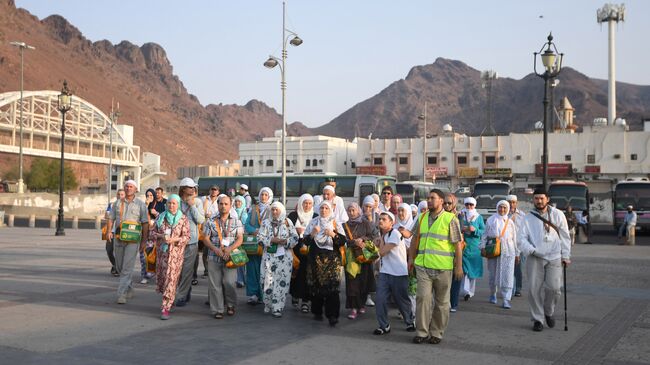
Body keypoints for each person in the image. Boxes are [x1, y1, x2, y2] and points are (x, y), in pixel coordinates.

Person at [405, 189, 463, 344]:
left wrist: (459, 267)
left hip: (443, 268)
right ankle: (422, 332)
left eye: (433, 198)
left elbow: (457, 245)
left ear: (441, 201)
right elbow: (414, 239)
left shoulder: (451, 219)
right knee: (422, 298)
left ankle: (436, 332)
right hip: (423, 266)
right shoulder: (422, 217)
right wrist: (411, 258)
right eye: (428, 198)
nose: (429, 200)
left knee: (442, 303)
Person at [517, 188, 571, 332]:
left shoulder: (558, 215)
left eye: (541, 198)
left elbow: (565, 236)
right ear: (533, 200)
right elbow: (521, 239)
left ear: (547, 199)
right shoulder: (528, 218)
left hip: (554, 256)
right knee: (534, 290)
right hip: (535, 257)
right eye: (536, 198)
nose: (539, 201)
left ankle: (548, 311)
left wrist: (566, 256)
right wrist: (531, 250)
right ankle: (537, 319)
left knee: (554, 289)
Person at [106, 180, 149, 304]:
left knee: (127, 267)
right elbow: (111, 218)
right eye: (126, 186)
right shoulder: (117, 203)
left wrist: (144, 241)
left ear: (135, 189)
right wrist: (109, 231)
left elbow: (145, 223)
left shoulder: (141, 205)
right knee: (119, 266)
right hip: (119, 238)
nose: (128, 188)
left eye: (131, 187)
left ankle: (121, 294)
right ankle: (129, 287)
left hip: (133, 240)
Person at [305, 201, 347, 326]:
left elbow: (343, 241)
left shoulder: (335, 223)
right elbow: (305, 242)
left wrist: (333, 234)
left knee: (332, 288)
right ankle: (317, 311)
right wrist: (312, 234)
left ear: (330, 210)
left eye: (326, 208)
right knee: (316, 286)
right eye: (322, 208)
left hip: (332, 260)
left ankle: (332, 315)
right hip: (315, 259)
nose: (323, 210)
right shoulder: (313, 222)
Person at [373, 211, 416, 335]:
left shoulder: (395, 233)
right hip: (385, 273)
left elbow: (382, 252)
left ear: (391, 223)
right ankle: (384, 325)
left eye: (384, 219)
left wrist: (379, 240)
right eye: (379, 219)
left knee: (401, 300)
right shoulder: (384, 236)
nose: (380, 221)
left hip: (398, 273)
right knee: (380, 299)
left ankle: (409, 321)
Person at [202, 195, 243, 319]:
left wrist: (230, 249)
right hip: (213, 257)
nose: (223, 206)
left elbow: (240, 238)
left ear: (230, 206)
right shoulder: (210, 221)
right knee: (215, 285)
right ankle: (217, 309)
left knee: (229, 283)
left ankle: (231, 305)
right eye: (221, 204)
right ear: (218, 205)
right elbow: (205, 238)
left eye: (226, 204)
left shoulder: (237, 221)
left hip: (230, 258)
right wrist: (215, 249)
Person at [258, 201, 299, 317]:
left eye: (277, 210)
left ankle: (277, 308)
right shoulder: (266, 223)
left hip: (284, 258)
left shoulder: (287, 222)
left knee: (282, 283)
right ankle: (268, 303)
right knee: (266, 281)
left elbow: (295, 238)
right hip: (268, 257)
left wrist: (285, 241)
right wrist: (271, 240)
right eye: (273, 210)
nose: (275, 212)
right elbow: (259, 238)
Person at [153, 194, 190, 320]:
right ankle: (169, 298)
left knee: (171, 279)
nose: (171, 206)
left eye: (174, 203)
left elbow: (187, 237)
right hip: (162, 254)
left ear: (178, 204)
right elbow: (152, 233)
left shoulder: (183, 219)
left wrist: (175, 239)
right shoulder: (161, 217)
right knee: (164, 279)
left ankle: (165, 307)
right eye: (169, 203)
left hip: (176, 255)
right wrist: (161, 236)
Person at [343, 202, 378, 320]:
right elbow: (343, 240)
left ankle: (361, 304)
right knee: (352, 282)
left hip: (364, 257)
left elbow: (373, 236)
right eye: (349, 210)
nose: (351, 213)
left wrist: (362, 240)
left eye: (353, 210)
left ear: (358, 211)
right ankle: (353, 308)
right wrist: (354, 242)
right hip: (351, 257)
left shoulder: (365, 223)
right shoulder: (344, 225)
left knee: (363, 282)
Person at [481, 200, 518, 309]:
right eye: (500, 207)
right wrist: (482, 246)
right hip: (493, 249)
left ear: (507, 209)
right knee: (493, 274)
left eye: (504, 208)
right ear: (497, 208)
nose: (502, 210)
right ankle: (493, 293)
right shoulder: (491, 220)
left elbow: (514, 238)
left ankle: (506, 299)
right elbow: (485, 234)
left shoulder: (510, 222)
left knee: (507, 275)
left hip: (508, 250)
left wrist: (517, 253)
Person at [174, 177, 205, 307]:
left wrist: (192, 206)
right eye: (190, 187)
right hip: (176, 241)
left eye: (194, 187)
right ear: (183, 189)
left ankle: (181, 296)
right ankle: (185, 291)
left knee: (187, 270)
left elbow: (200, 220)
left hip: (191, 242)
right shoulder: (175, 201)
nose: (193, 189)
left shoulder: (197, 202)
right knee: (178, 270)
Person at [287, 194, 317, 313]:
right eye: (305, 203)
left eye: (310, 203)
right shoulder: (293, 216)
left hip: (309, 249)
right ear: (300, 203)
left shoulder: (315, 216)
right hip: (295, 249)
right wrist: (295, 230)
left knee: (307, 274)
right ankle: (295, 295)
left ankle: (306, 301)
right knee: (295, 273)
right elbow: (287, 230)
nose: (307, 206)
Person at [453, 197, 484, 309]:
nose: (469, 207)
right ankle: (465, 291)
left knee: (473, 272)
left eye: (471, 205)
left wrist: (474, 230)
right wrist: (464, 229)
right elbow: (456, 227)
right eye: (467, 205)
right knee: (464, 270)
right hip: (463, 246)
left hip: (475, 248)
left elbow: (483, 231)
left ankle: (470, 291)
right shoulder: (461, 215)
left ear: (474, 205)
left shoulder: (479, 217)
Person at [244, 187, 274, 304]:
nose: (263, 197)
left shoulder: (273, 209)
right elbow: (246, 224)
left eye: (266, 195)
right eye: (262, 195)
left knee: (265, 270)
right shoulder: (253, 209)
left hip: (266, 245)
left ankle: (264, 295)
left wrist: (262, 232)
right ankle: (253, 294)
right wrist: (254, 230)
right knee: (252, 269)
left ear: (270, 197)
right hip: (253, 245)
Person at [198, 185, 221, 279]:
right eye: (212, 189)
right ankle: (206, 271)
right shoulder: (204, 199)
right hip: (205, 228)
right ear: (209, 190)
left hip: (216, 229)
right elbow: (199, 210)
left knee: (216, 250)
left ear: (218, 192)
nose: (214, 191)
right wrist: (204, 214)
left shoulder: (220, 200)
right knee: (205, 252)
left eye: (215, 189)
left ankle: (215, 271)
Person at [507, 194, 527, 297]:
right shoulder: (504, 214)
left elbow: (525, 231)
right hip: (507, 245)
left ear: (516, 203)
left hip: (519, 245)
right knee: (508, 268)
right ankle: (508, 288)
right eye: (510, 202)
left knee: (518, 268)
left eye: (513, 202)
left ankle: (518, 288)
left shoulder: (522, 215)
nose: (511, 204)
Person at [139, 188, 158, 284]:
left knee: (153, 256)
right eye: (147, 195)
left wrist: (156, 214)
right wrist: (146, 205)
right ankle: (144, 275)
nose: (149, 197)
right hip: (144, 235)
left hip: (155, 236)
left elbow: (164, 217)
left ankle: (153, 273)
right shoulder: (143, 206)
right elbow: (140, 217)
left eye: (151, 195)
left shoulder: (158, 205)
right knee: (143, 257)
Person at [105, 189, 125, 277]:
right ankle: (115, 264)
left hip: (121, 232)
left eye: (122, 194)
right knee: (109, 249)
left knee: (119, 251)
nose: (120, 196)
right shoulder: (112, 204)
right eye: (118, 194)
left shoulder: (127, 205)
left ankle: (117, 268)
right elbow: (107, 216)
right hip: (111, 231)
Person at [233, 195, 248, 287]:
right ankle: (240, 280)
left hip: (243, 238)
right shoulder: (233, 212)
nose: (237, 203)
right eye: (236, 201)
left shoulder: (245, 213)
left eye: (240, 202)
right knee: (238, 258)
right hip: (235, 238)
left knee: (243, 260)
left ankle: (243, 279)